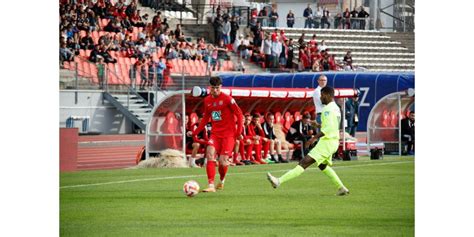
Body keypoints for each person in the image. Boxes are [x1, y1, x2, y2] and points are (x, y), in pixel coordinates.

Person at [267, 86, 350, 196]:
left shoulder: (327, 109)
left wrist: (312, 139)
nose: (320, 98)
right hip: (333, 141)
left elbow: (328, 129)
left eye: (322, 95)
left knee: (304, 162)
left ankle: (278, 181)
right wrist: (319, 125)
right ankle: (341, 188)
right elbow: (332, 125)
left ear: (328, 95)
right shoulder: (336, 108)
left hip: (327, 142)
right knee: (322, 166)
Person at [192, 77, 244, 192]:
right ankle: (210, 185)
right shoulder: (207, 100)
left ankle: (221, 180)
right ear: (209, 87)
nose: (215, 90)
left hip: (228, 135)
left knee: (222, 161)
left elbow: (239, 115)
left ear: (220, 87)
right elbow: (206, 118)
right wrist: (195, 132)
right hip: (215, 134)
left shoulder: (227, 99)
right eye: (213, 88)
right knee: (210, 154)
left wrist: (238, 132)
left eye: (217, 88)